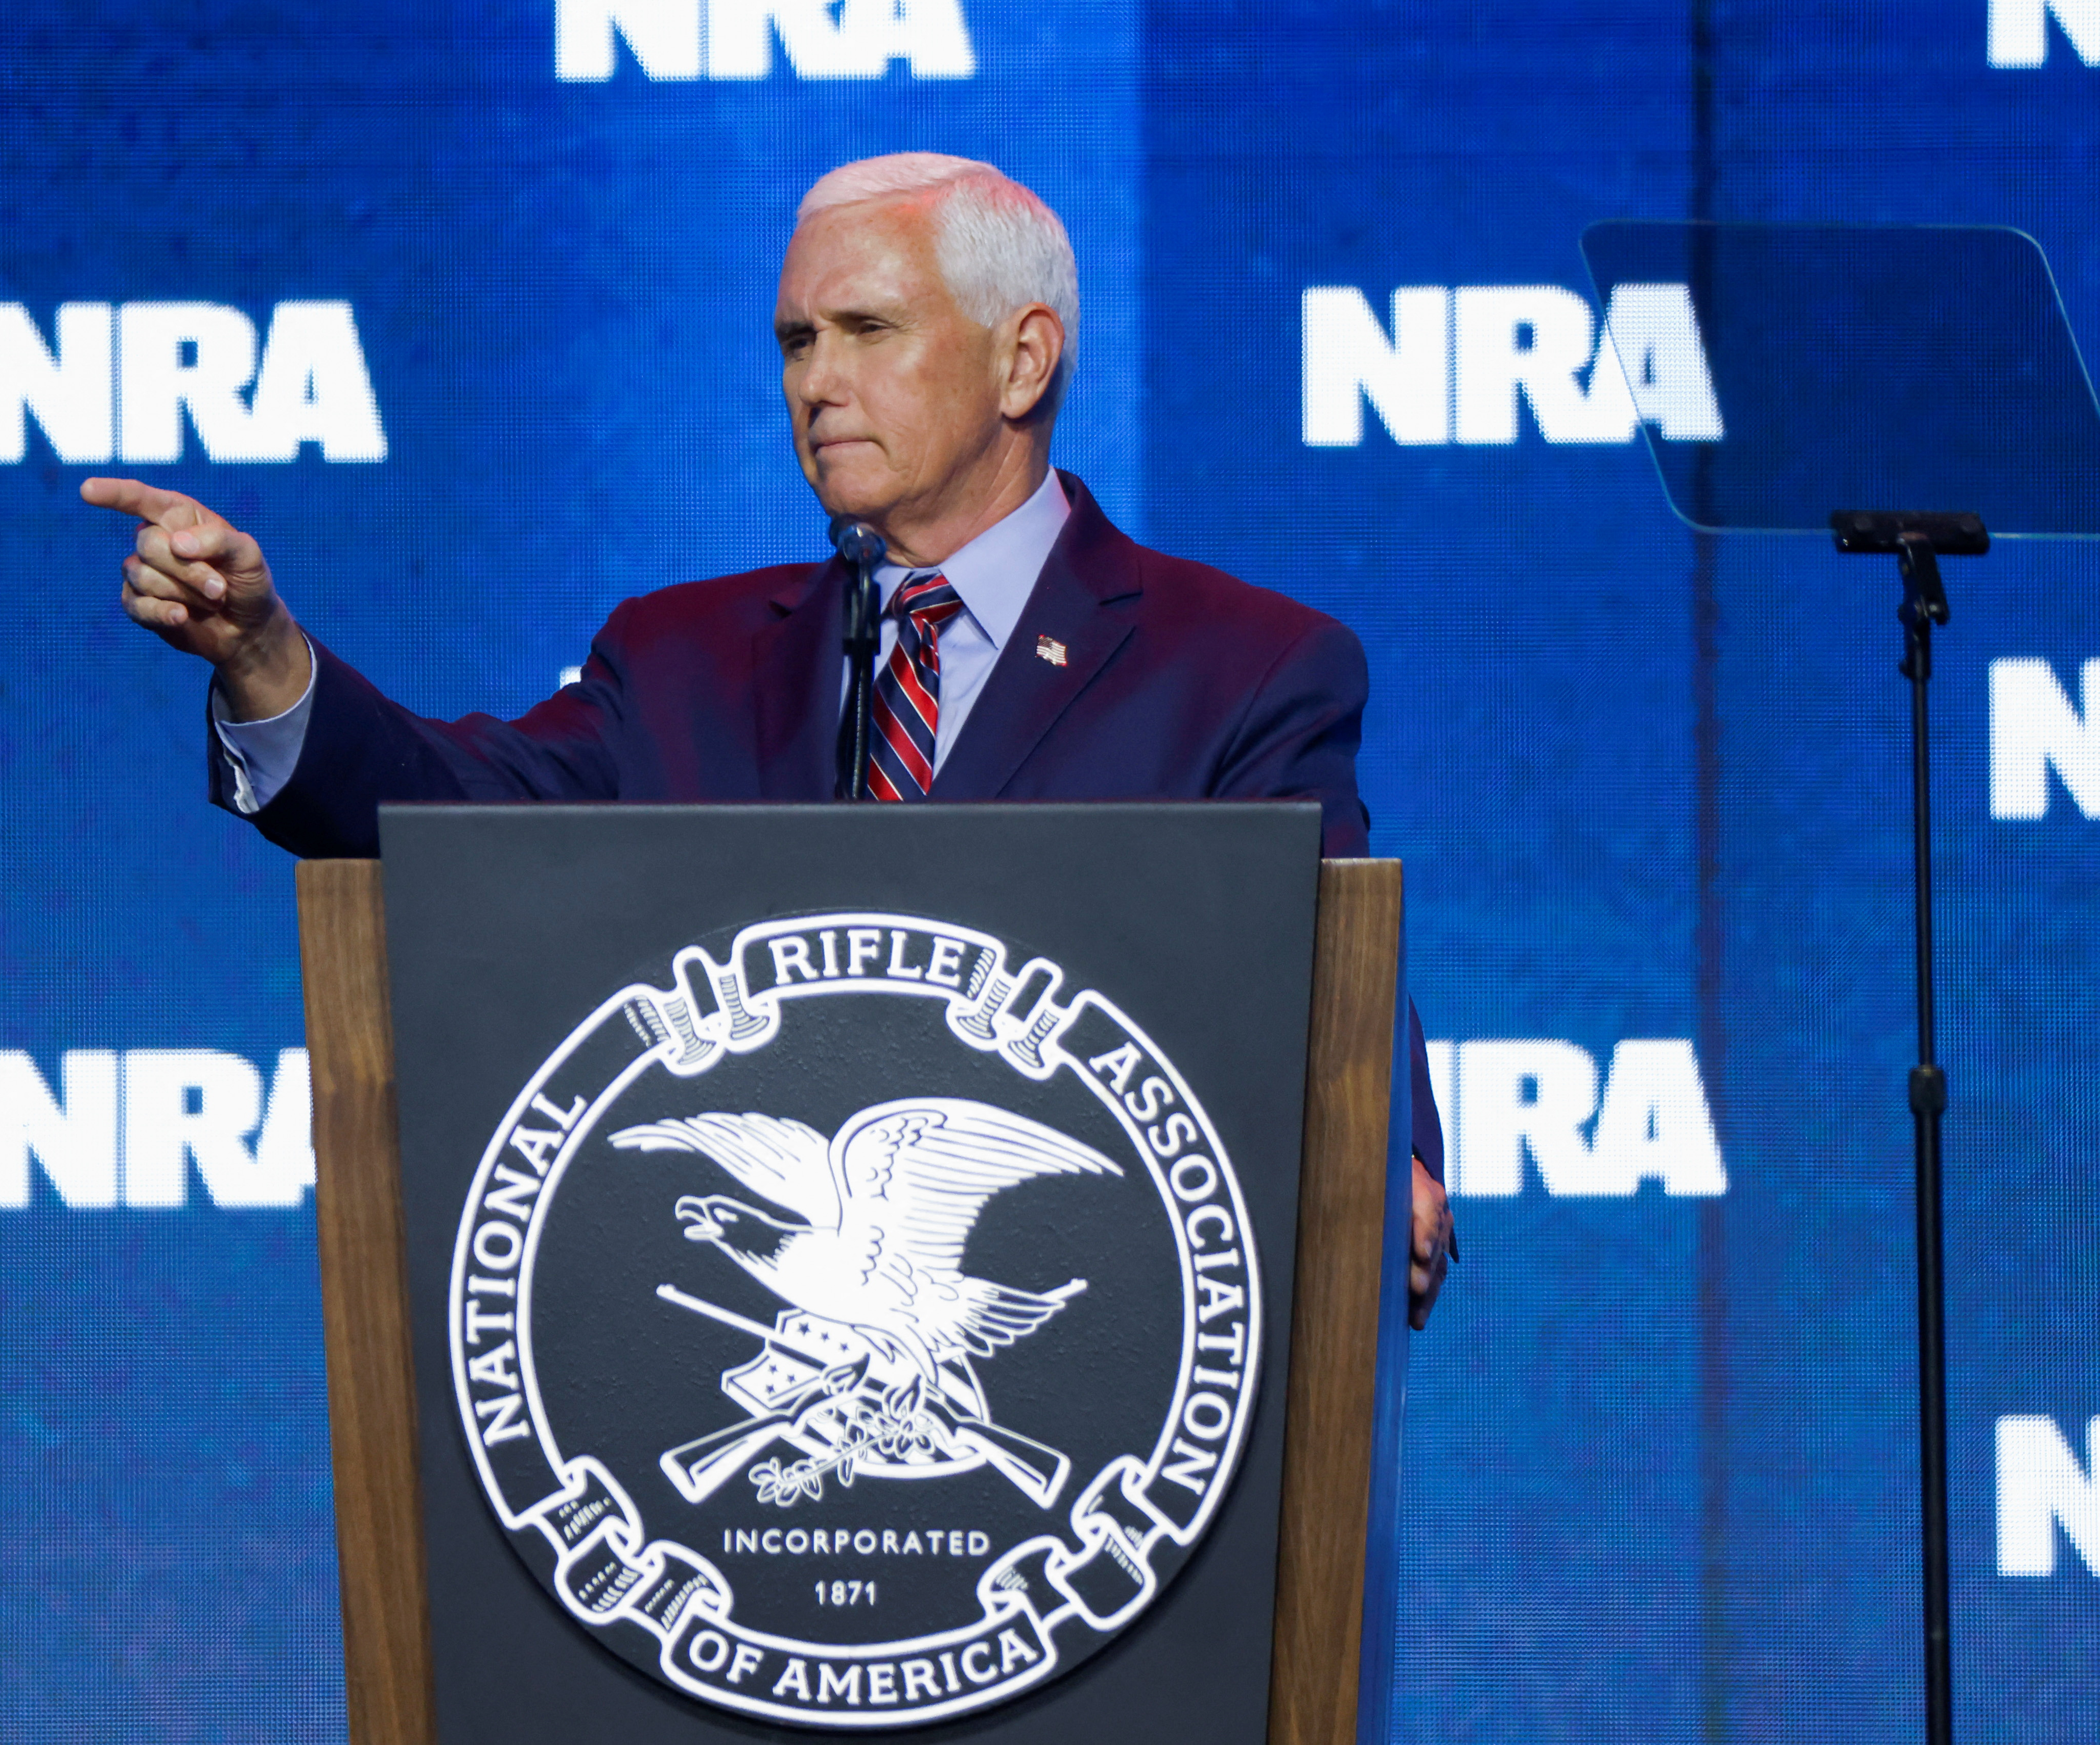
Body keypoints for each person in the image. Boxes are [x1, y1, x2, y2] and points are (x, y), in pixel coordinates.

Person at [83, 153, 1453, 1324]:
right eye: (797, 341)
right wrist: (266, 656)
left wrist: (1379, 1152)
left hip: (1101, 1357)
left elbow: (1326, 958)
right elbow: (445, 813)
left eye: (866, 329)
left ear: (1022, 358)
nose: (818, 381)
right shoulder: (682, 658)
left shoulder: (1242, 663)